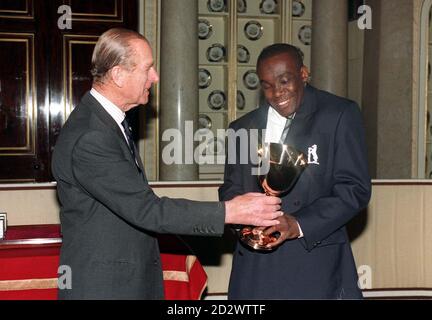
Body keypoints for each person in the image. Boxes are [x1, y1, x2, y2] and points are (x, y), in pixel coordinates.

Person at [51, 28, 283, 300]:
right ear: (118, 74)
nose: (155, 77)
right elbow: (147, 211)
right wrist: (229, 211)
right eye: (147, 68)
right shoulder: (92, 136)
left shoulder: (107, 123)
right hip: (106, 288)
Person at [219, 43, 372, 299]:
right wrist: (241, 215)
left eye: (284, 80)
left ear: (303, 74)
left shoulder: (339, 114)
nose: (277, 92)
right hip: (255, 268)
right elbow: (231, 187)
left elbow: (354, 189)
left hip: (313, 263)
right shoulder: (241, 128)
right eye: (267, 85)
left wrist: (298, 223)